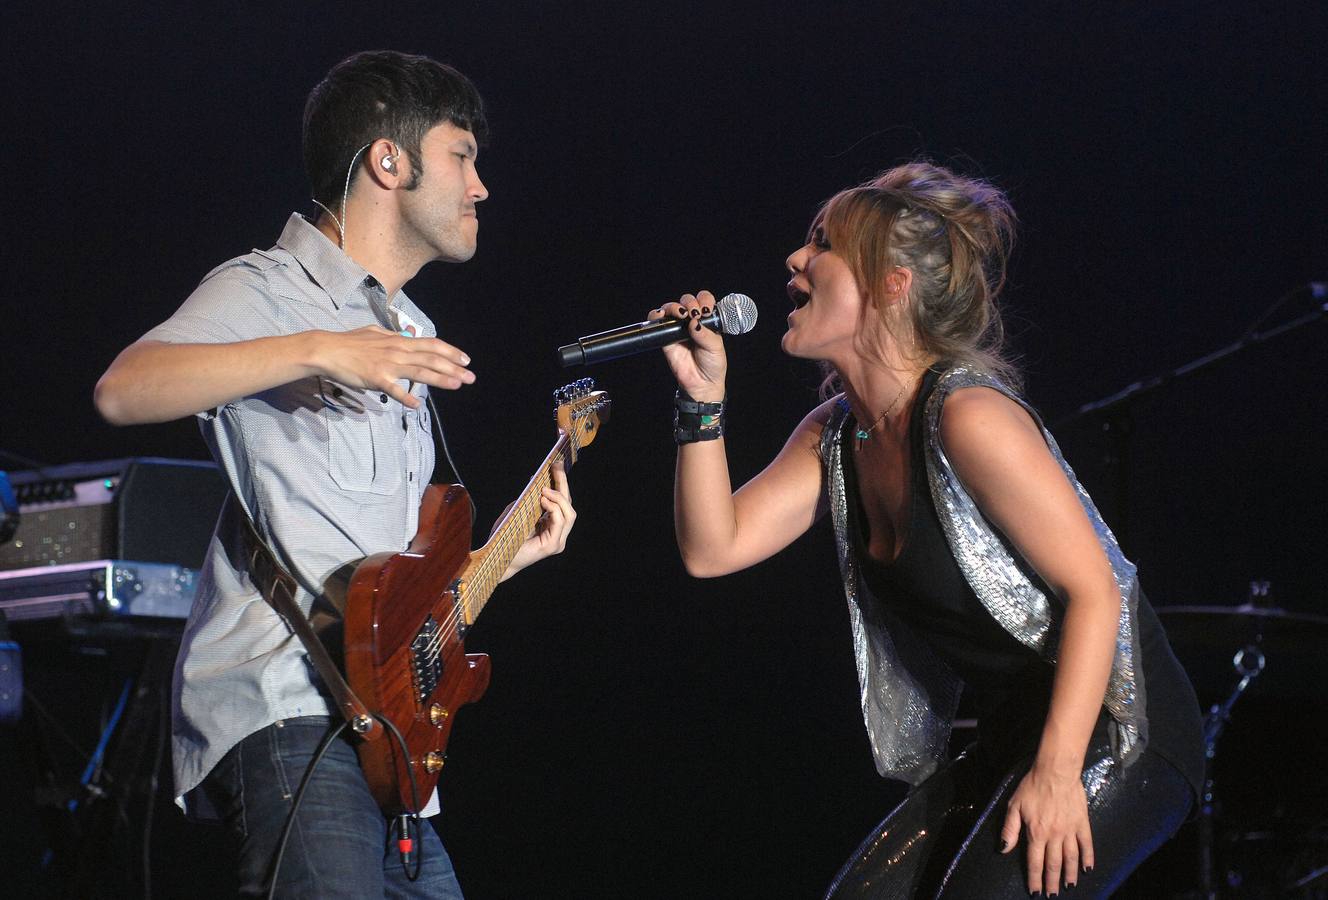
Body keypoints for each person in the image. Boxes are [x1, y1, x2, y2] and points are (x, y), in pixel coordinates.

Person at [94, 50, 576, 898]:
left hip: (388, 743)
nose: (480, 186)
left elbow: (389, 590)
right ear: (389, 161)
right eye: (463, 156)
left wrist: (506, 559)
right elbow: (124, 390)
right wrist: (319, 347)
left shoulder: (410, 328)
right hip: (289, 711)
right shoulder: (267, 288)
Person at [650, 161, 1204, 898]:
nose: (795, 260)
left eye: (823, 244)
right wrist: (701, 403)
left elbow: (1095, 591)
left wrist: (1058, 772)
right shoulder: (836, 437)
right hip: (1015, 733)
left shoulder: (968, 417)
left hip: (1120, 727)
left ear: (891, 284)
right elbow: (711, 548)